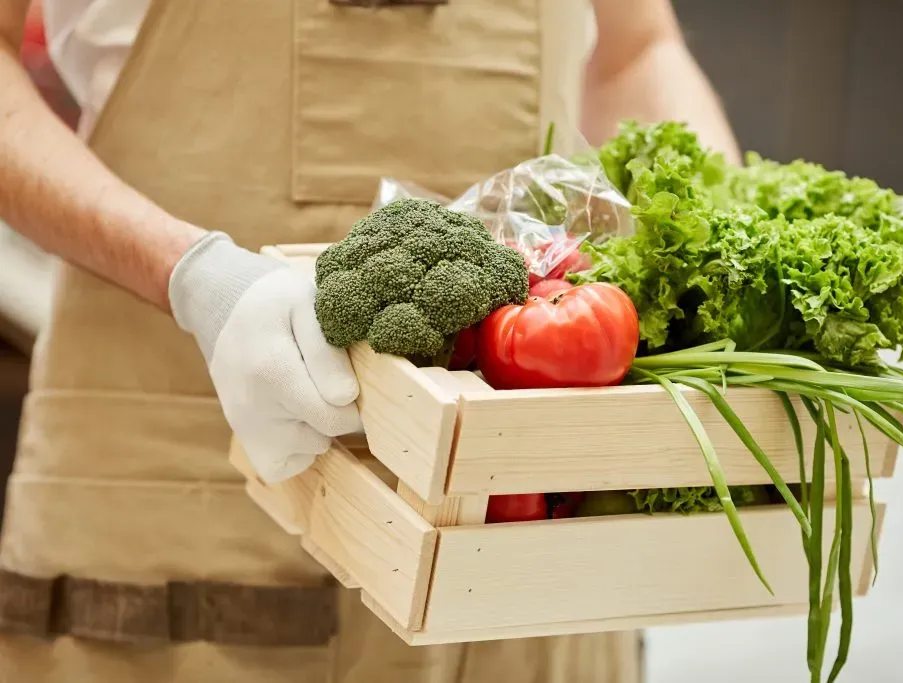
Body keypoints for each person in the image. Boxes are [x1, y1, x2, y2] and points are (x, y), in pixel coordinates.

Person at [0, 0, 740, 681]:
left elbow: (634, 55)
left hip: (523, 563)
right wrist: (194, 277)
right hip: (175, 521)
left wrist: (729, 253)